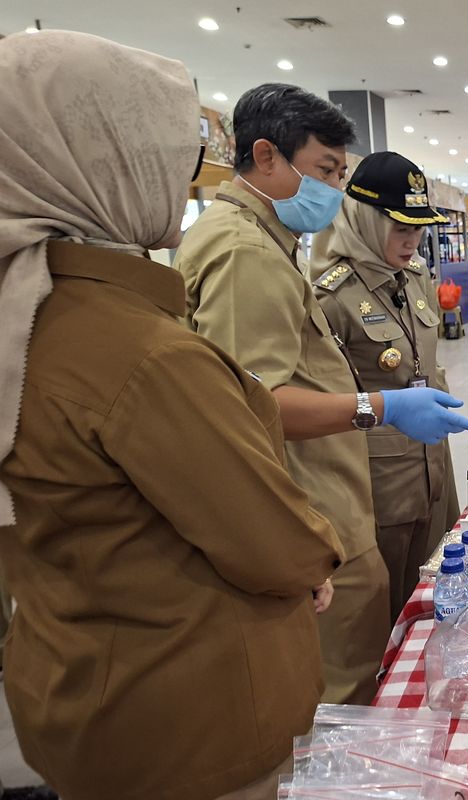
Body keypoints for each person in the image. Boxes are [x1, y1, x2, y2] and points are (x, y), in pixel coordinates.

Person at [0, 32, 345, 800]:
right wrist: (317, 553)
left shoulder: (29, 313)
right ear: (99, 162)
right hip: (186, 719)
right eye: (167, 155)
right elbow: (265, 538)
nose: (186, 177)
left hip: (78, 685)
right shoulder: (132, 350)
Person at [174, 84, 468, 705]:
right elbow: (250, 407)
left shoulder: (267, 244)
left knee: (384, 648)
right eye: (325, 170)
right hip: (329, 503)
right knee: (346, 682)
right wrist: (382, 407)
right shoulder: (246, 253)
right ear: (267, 156)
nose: (335, 189)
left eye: (341, 173)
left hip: (373, 489)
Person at [313, 151, 461, 618]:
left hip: (433, 469)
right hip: (379, 487)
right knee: (382, 613)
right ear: (365, 220)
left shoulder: (415, 278)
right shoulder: (332, 296)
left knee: (436, 598)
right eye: (399, 228)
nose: (411, 241)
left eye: (419, 228)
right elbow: (323, 402)